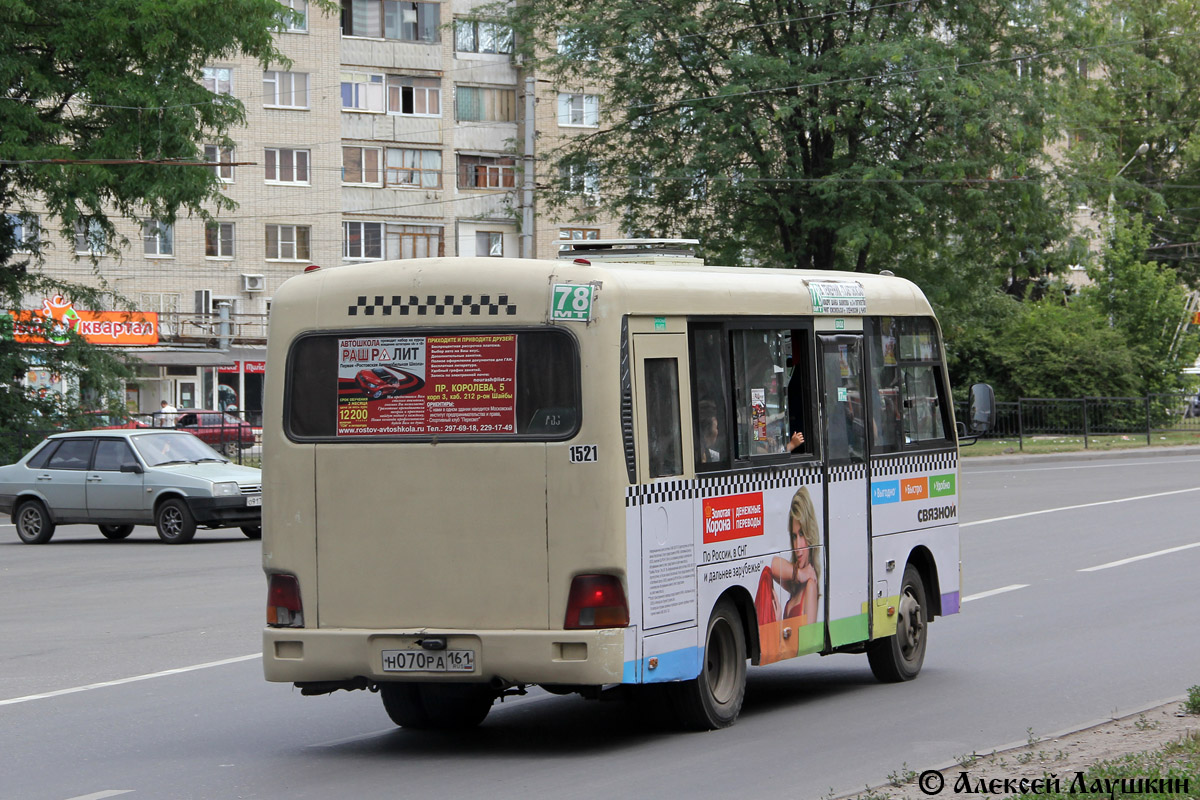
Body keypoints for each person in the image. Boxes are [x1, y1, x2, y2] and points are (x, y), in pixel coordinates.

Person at [766, 486, 821, 623]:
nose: (797, 547)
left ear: (810, 534)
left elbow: (810, 640)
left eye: (802, 534)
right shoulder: (798, 581)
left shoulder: (810, 586)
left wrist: (778, 625)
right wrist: (799, 574)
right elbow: (771, 566)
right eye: (794, 536)